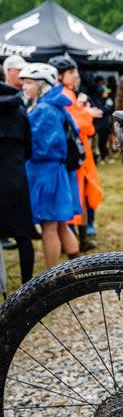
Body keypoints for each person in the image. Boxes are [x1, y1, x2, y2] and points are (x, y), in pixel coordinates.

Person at [20, 63, 81, 268]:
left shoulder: (44, 109)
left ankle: (51, 277)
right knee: (61, 223)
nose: (24, 87)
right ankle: (76, 267)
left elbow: (39, 146)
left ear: (41, 84)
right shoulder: (54, 105)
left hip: (47, 172)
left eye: (28, 82)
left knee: (49, 225)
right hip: (55, 171)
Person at [49, 55, 103, 253]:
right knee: (75, 196)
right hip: (75, 156)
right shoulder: (64, 96)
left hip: (79, 154)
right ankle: (74, 241)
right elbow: (83, 126)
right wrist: (87, 114)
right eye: (72, 73)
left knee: (79, 195)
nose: (76, 76)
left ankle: (76, 238)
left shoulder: (69, 94)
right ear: (60, 75)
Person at [0, 80, 35, 283]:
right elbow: (29, 147)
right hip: (15, 178)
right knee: (23, 235)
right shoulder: (19, 109)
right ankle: (27, 286)